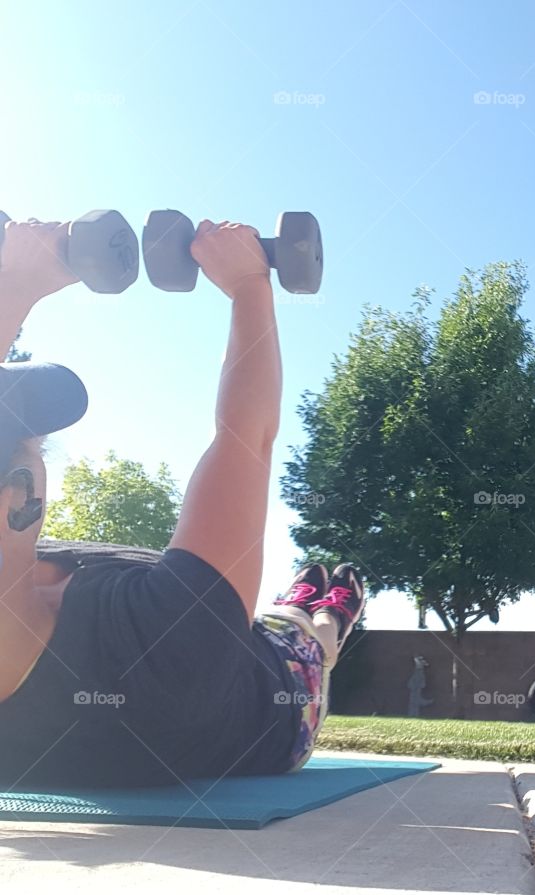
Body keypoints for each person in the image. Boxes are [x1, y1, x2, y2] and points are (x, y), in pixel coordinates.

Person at [0, 217, 363, 788]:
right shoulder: (163, 634)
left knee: (235, 610)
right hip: (282, 696)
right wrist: (248, 284)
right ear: (19, 498)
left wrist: (15, 286)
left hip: (193, 637)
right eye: (35, 445)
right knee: (299, 632)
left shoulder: (152, 628)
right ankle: (325, 614)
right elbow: (246, 438)